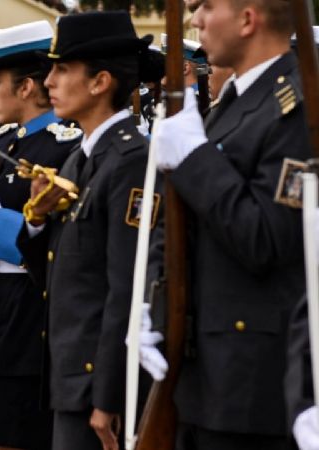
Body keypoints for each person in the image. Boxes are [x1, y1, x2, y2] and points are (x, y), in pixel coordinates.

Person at [143, 0, 311, 448]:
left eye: (207, 6)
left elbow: (267, 239)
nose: (195, 20)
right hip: (200, 373)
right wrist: (154, 307)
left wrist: (196, 159)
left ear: (247, 18)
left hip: (253, 383)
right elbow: (184, 223)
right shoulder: (235, 101)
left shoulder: (297, 107)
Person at [2, 12, 163, 450]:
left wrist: (108, 395)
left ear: (100, 82)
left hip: (101, 384)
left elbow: (126, 288)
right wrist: (35, 220)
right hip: (71, 374)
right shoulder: (79, 157)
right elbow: (54, 269)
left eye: (62, 69)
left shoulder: (130, 160)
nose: (49, 81)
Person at [0, 20, 81, 450]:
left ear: (25, 88)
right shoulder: (1, 145)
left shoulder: (66, 148)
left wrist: (1, 227)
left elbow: (62, 244)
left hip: (32, 310)